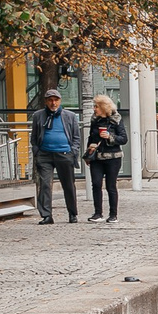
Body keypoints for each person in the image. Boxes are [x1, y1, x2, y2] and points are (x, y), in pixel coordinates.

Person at [31, 91, 79, 224]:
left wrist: (73, 151)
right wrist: (36, 151)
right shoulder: (38, 116)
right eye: (50, 100)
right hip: (45, 154)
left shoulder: (69, 116)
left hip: (64, 153)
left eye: (56, 100)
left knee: (68, 185)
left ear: (60, 100)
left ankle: (72, 214)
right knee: (45, 184)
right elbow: (34, 136)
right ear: (46, 101)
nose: (53, 103)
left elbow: (76, 136)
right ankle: (47, 215)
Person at [83, 95, 126, 222]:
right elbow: (91, 138)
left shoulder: (116, 119)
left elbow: (123, 139)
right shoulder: (94, 120)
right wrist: (88, 153)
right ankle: (98, 213)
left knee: (110, 186)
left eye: (96, 106)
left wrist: (110, 136)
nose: (94, 109)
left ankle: (113, 215)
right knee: (96, 184)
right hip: (96, 157)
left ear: (103, 107)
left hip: (113, 158)